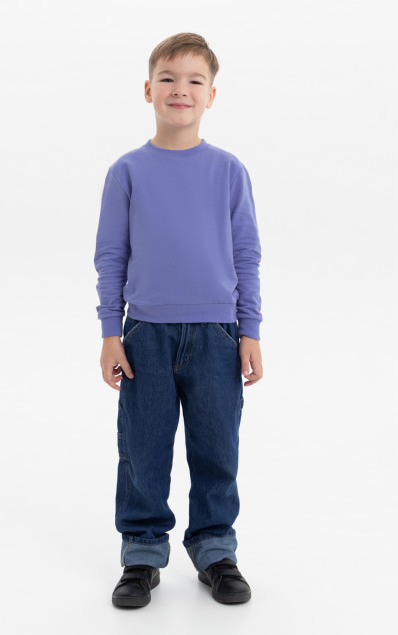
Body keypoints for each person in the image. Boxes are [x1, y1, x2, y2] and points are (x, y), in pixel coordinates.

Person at [94, 32, 264, 608]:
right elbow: (111, 256)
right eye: (167, 78)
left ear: (212, 95)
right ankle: (142, 552)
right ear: (148, 89)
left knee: (216, 447)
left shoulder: (228, 171)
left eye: (195, 80)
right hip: (145, 334)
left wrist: (249, 330)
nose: (180, 89)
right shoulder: (128, 171)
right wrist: (110, 333)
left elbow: (246, 255)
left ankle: (215, 548)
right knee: (143, 448)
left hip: (217, 334)